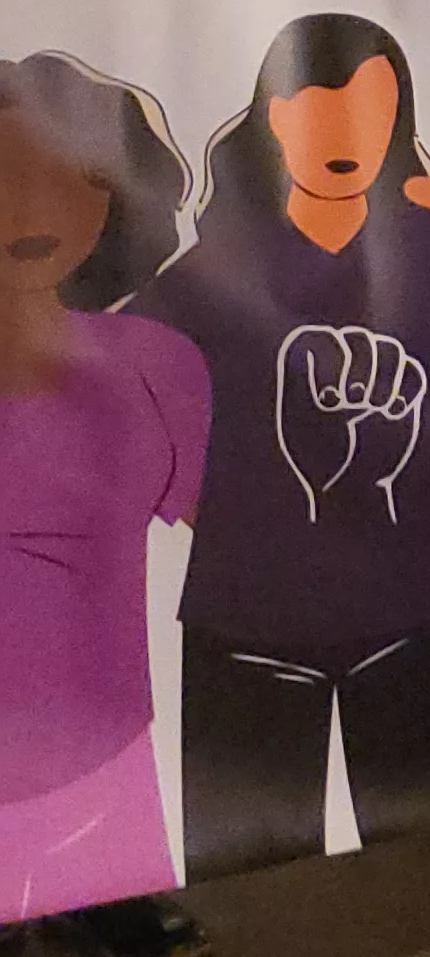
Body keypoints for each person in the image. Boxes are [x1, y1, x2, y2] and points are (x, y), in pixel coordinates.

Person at [127, 18, 430, 877]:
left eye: (369, 109)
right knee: (249, 874)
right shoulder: (218, 267)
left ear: (399, 122)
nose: (342, 134)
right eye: (313, 107)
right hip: (251, 624)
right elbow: (118, 378)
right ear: (272, 120)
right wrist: (226, 511)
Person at [1, 56, 205, 950]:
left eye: (75, 176)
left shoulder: (154, 364)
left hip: (104, 749)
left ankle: (98, 894)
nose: (36, 207)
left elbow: (242, 534)